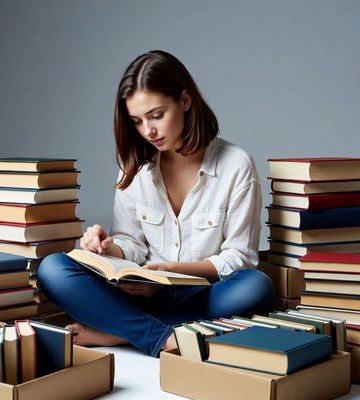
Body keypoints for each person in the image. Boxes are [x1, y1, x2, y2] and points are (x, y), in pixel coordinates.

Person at [38, 50, 275, 357]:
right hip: (136, 296)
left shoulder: (236, 165)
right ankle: (161, 335)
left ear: (185, 101)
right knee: (53, 268)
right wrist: (106, 247)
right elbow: (131, 243)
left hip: (202, 296)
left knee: (255, 287)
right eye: (137, 121)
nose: (148, 131)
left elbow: (239, 258)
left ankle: (120, 335)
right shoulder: (134, 164)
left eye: (156, 115)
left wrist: (170, 274)